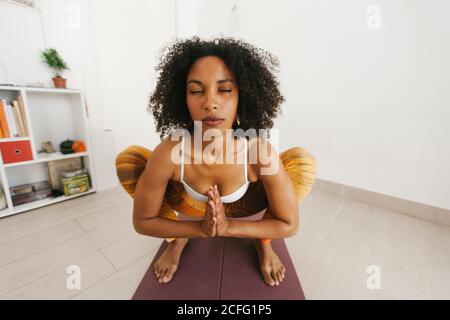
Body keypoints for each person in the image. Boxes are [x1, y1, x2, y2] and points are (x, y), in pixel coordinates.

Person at [116, 37, 317, 287]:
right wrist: (198, 230)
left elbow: (289, 224)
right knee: (129, 162)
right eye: (196, 90)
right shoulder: (169, 152)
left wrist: (227, 227)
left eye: (224, 89)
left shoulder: (258, 151)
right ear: (183, 99)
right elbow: (142, 221)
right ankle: (176, 240)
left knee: (301, 162)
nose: (210, 103)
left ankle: (263, 243)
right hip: (191, 208)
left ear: (241, 97)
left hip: (247, 205)